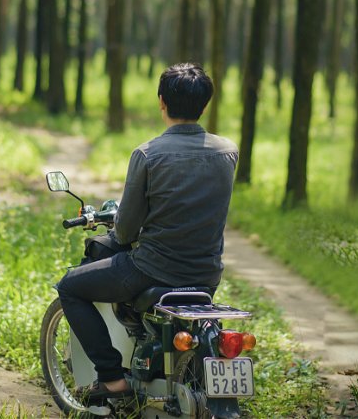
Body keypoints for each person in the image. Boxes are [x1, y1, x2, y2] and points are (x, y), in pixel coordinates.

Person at [56, 63, 239, 403]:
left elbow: (124, 233)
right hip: (206, 274)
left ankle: (111, 380)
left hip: (152, 270)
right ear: (205, 104)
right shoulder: (228, 151)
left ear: (161, 102)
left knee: (70, 286)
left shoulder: (148, 154)